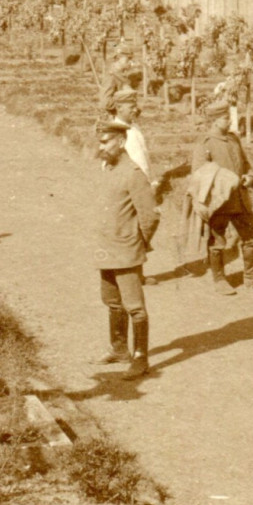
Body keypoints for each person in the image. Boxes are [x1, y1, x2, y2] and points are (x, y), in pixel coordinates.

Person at [93, 118, 160, 378]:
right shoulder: (108, 170)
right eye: (101, 141)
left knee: (135, 307)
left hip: (126, 251)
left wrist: (137, 242)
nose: (102, 146)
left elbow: (150, 216)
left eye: (106, 141)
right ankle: (119, 348)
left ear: (121, 142)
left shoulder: (133, 174)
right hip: (106, 249)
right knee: (112, 301)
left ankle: (140, 358)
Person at [190, 99, 253, 294]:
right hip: (219, 202)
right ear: (213, 121)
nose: (229, 121)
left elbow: (245, 164)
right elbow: (199, 175)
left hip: (240, 199)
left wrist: (249, 177)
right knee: (217, 241)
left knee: (252, 236)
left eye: (229, 117)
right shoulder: (205, 144)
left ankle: (251, 276)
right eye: (225, 118)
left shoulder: (233, 139)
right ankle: (219, 280)